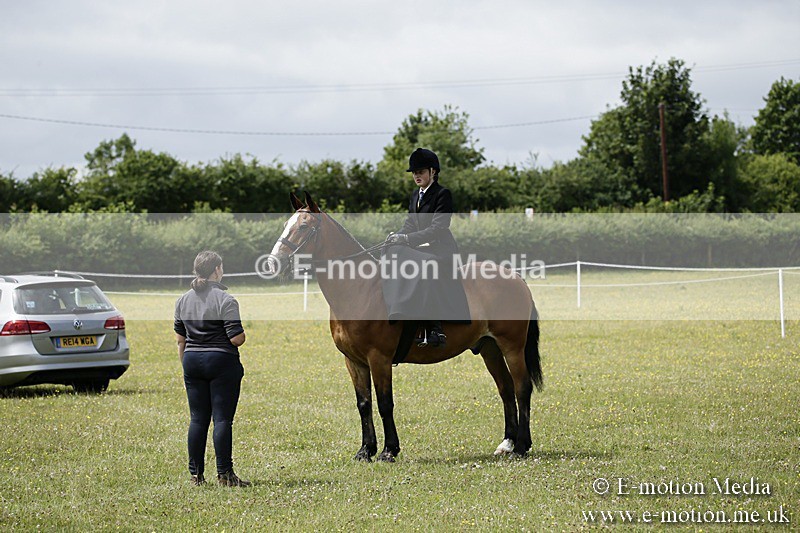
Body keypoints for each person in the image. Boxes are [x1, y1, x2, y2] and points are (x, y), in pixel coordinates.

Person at [174, 251, 250, 487]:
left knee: (197, 420)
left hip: (191, 361)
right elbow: (236, 338)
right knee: (222, 420)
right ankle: (225, 474)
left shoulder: (182, 300)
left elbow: (180, 339)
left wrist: (186, 364)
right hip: (221, 363)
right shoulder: (226, 300)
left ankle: (196, 476)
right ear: (217, 270)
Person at [383, 148, 467, 347]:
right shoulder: (415, 195)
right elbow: (410, 224)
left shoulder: (442, 194)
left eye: (420, 172)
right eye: (414, 173)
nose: (416, 176)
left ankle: (435, 329)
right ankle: (398, 309)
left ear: (433, 172)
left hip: (440, 249)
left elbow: (438, 228)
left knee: (425, 266)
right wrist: (397, 236)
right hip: (421, 248)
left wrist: (407, 238)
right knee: (392, 254)